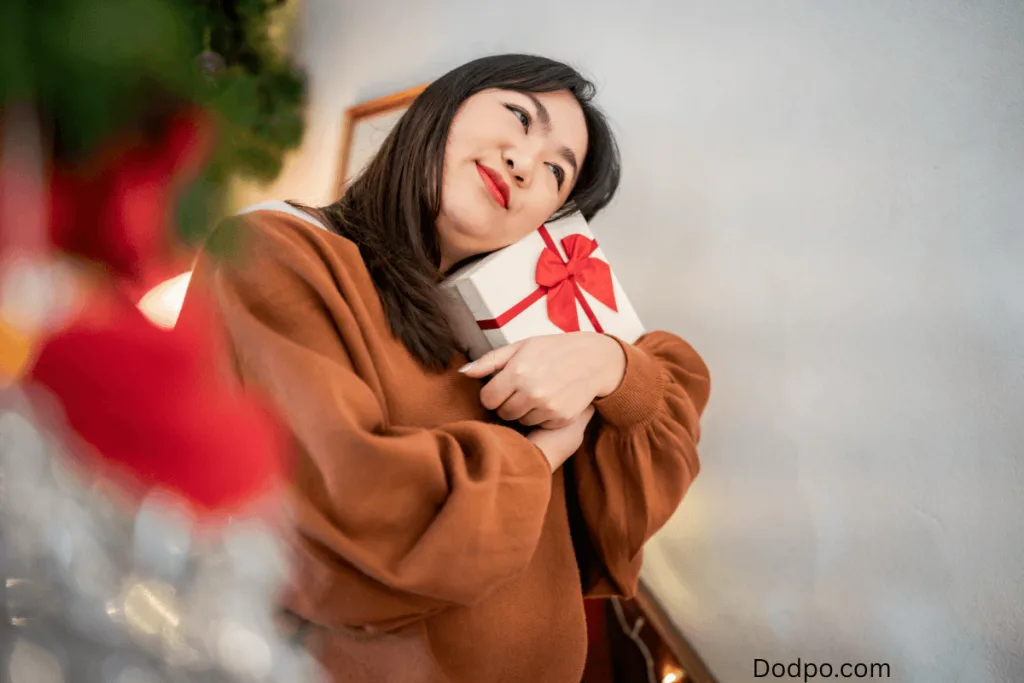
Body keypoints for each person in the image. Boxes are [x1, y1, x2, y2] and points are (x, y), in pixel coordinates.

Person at [179, 53, 711, 683]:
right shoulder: (278, 255)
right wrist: (541, 455)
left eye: (555, 171)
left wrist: (611, 365)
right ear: (441, 107)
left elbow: (637, 487)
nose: (522, 163)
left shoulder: (514, 330)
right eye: (518, 117)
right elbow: (350, 512)